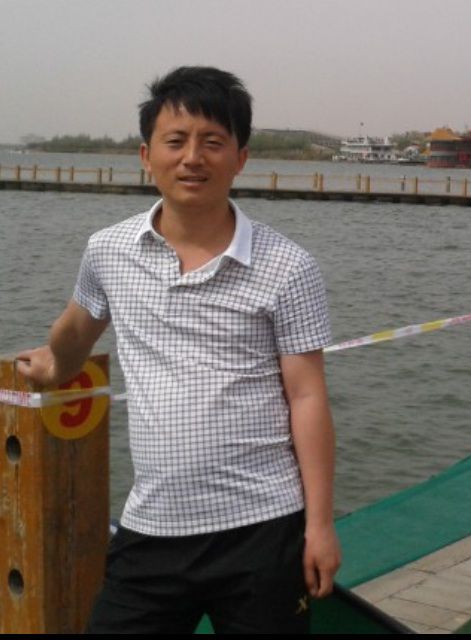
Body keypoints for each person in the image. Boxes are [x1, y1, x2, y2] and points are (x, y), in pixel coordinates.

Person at [17, 66, 341, 634]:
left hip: (264, 525)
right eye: (176, 141)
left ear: (241, 158)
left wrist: (319, 526)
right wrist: (51, 364)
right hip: (155, 526)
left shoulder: (288, 266)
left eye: (213, 142)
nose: (193, 157)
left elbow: (308, 397)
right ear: (147, 156)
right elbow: (77, 331)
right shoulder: (108, 251)